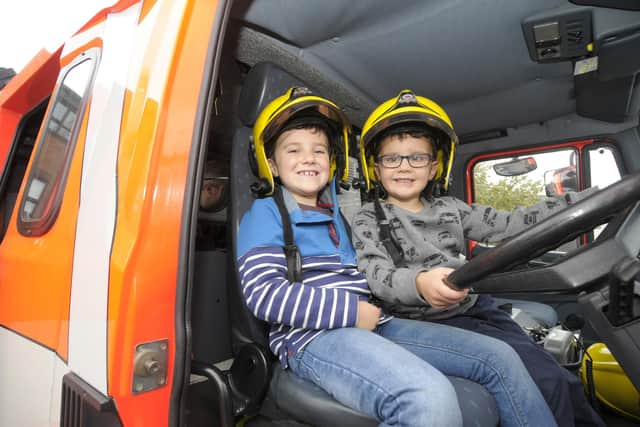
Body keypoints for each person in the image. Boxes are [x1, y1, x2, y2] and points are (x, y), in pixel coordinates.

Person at [237, 87, 557, 426]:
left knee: (499, 356)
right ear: (270, 162)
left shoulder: (339, 218)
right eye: (293, 150)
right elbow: (265, 295)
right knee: (428, 397)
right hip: (313, 337)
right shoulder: (266, 214)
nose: (308, 158)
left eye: (319, 150)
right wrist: (351, 312)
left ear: (333, 162)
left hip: (377, 324)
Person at [351, 89, 605, 427]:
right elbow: (374, 272)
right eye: (392, 158)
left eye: (417, 157)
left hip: (477, 308)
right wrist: (419, 282)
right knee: (545, 382)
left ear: (434, 166)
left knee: (558, 378)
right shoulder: (369, 218)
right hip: (424, 322)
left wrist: (586, 203)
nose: (404, 167)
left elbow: (511, 224)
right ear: (376, 167)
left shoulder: (452, 209)